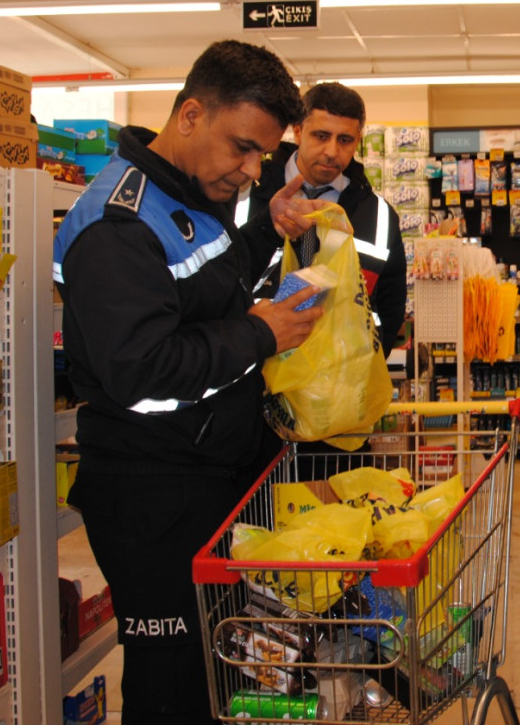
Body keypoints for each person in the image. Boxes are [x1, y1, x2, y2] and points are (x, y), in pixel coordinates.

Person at [53, 40, 325, 724]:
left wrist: (267, 228)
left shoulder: (188, 194)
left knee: (222, 672)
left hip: (208, 475)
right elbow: (141, 370)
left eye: (262, 155)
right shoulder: (116, 224)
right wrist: (262, 334)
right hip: (153, 498)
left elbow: (206, 291)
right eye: (241, 148)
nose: (249, 169)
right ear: (191, 115)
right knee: (173, 688)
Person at [243, 80, 407, 353]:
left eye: (345, 140)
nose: (332, 152)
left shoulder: (379, 215)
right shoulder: (245, 193)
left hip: (337, 382)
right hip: (254, 372)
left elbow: (389, 308)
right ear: (297, 132)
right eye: (321, 136)